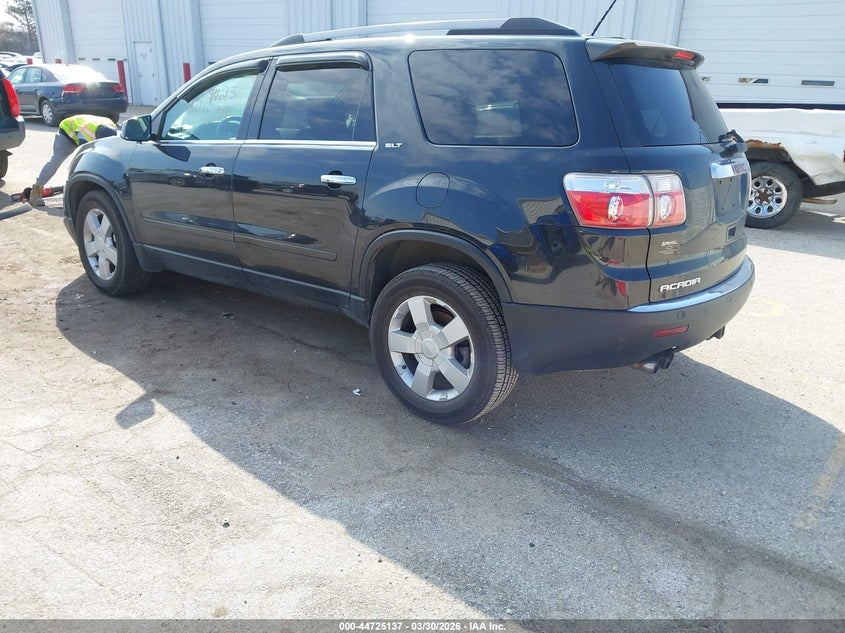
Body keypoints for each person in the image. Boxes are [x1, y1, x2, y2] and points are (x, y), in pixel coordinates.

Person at [28, 114, 118, 206]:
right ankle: (36, 191)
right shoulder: (86, 132)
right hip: (67, 133)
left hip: (82, 128)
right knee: (57, 161)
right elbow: (83, 158)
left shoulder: (112, 128)